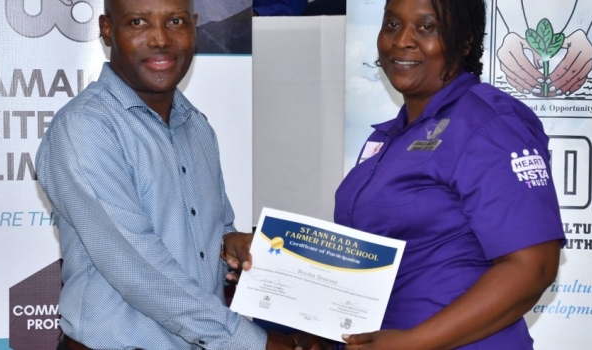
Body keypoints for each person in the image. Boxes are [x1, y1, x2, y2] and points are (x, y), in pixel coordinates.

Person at [226, 0, 564, 349]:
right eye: (391, 25)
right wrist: (268, 257)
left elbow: (531, 267)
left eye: (426, 27)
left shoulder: (489, 125)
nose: (402, 40)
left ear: (464, 41)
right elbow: (368, 263)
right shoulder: (388, 137)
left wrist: (415, 342)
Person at [36, 0, 323, 349]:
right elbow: (138, 269)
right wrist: (252, 343)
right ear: (108, 30)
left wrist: (228, 246)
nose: (160, 39)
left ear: (194, 26)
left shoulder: (196, 126)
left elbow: (211, 230)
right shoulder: (85, 129)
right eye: (138, 22)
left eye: (175, 21)